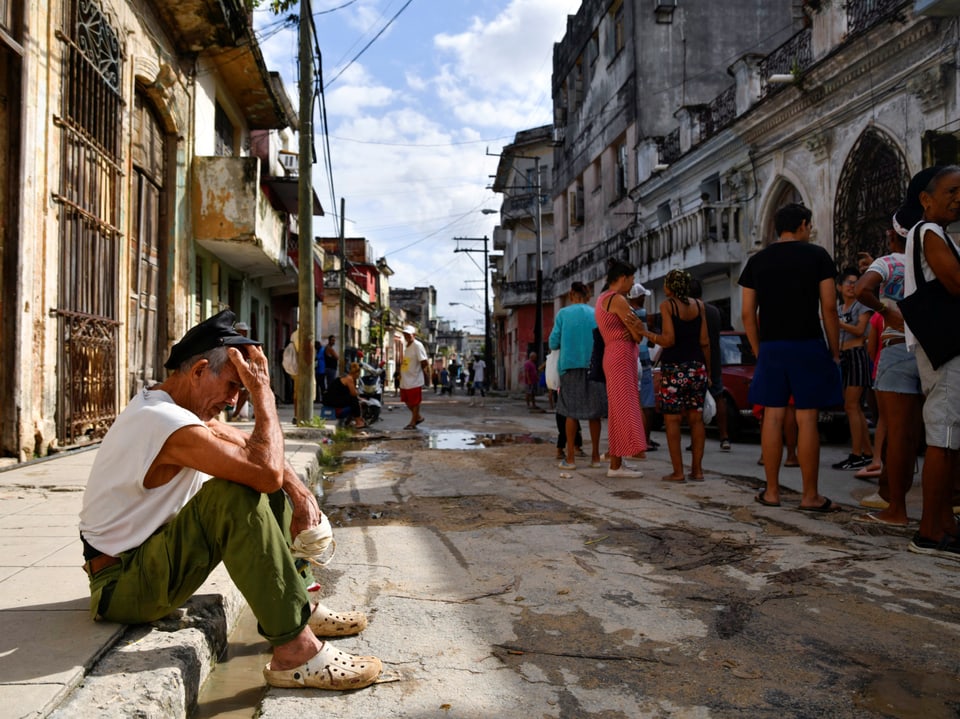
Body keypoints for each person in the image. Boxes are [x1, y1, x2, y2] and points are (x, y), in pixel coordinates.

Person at [78, 310, 381, 691]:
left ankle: (302, 605)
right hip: (121, 586)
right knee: (234, 493)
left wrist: (300, 494)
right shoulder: (161, 420)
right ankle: (295, 652)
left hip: (146, 566)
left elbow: (249, 449)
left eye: (245, 389)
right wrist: (264, 395)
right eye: (234, 386)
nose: (236, 400)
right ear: (200, 370)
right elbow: (263, 469)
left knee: (261, 481)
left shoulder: (174, 406)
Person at [739, 203, 843, 511]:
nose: (809, 230)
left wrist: (759, 350)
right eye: (808, 225)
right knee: (807, 417)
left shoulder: (757, 261)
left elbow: (747, 313)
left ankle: (771, 492)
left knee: (772, 415)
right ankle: (810, 496)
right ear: (802, 224)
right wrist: (835, 350)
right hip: (808, 343)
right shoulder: (818, 256)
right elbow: (829, 307)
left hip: (772, 346)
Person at [901, 165, 960, 558]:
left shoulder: (939, 234)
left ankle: (944, 525)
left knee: (950, 437)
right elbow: (956, 284)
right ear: (927, 199)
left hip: (946, 345)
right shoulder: (928, 232)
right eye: (952, 191)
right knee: (943, 435)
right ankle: (927, 531)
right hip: (944, 346)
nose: (958, 198)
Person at [854, 221, 921, 526]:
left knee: (897, 434)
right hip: (933, 349)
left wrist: (886, 311)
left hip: (896, 347)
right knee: (931, 434)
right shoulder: (932, 261)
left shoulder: (889, 262)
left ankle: (896, 507)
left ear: (893, 235)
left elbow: (861, 289)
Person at [641, 269, 709, 482]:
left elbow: (669, 340)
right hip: (697, 368)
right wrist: (709, 371)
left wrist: (646, 333)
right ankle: (697, 471)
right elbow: (705, 341)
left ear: (669, 287)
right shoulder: (700, 306)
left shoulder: (667, 306)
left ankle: (678, 472)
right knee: (696, 420)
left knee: (672, 420)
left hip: (674, 370)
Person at [596, 260, 647, 477]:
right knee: (622, 409)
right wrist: (637, 330)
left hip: (613, 354)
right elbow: (638, 333)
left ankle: (618, 462)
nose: (633, 283)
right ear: (623, 277)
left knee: (618, 409)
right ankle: (616, 465)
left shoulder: (602, 299)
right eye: (632, 278)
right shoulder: (618, 300)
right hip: (621, 356)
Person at [549, 281, 607, 471]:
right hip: (594, 367)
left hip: (570, 366)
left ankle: (571, 459)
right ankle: (596, 457)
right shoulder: (596, 314)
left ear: (571, 294)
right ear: (588, 295)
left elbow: (553, 343)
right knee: (594, 414)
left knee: (570, 413)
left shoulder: (563, 314)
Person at [831, 267, 875, 470]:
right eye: (848, 283)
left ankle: (856, 454)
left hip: (857, 355)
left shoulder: (861, 306)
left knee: (852, 405)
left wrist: (837, 323)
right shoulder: (839, 308)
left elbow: (860, 331)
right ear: (839, 287)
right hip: (843, 357)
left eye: (855, 283)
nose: (851, 286)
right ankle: (867, 453)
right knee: (853, 407)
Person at [689, 279, 731, 451]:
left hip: (695, 360)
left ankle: (696, 439)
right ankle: (724, 437)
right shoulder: (714, 311)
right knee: (719, 397)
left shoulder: (689, 311)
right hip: (714, 360)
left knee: (694, 403)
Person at [627, 282, 659, 450]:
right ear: (639, 297)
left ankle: (635, 438)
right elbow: (652, 340)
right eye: (643, 296)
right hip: (644, 361)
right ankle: (645, 440)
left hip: (630, 360)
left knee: (633, 403)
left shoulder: (626, 313)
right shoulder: (645, 315)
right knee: (647, 404)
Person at [400, 325, 430, 429]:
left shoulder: (417, 345)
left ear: (414, 335)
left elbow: (424, 361)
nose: (406, 336)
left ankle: (413, 422)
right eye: (405, 334)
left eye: (408, 334)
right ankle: (418, 417)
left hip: (414, 378)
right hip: (405, 379)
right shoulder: (407, 346)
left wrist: (419, 372)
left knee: (415, 401)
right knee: (406, 401)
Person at [322, 361, 366, 429]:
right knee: (353, 400)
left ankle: (356, 420)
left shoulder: (345, 377)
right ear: (356, 373)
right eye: (358, 374)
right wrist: (358, 394)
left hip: (331, 399)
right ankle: (358, 421)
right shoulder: (349, 379)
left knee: (354, 399)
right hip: (332, 400)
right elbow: (353, 393)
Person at [229, 321, 253, 421]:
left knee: (245, 392)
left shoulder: (246, 343)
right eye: (243, 331)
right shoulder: (233, 342)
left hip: (244, 370)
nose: (245, 333)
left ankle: (236, 414)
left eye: (245, 331)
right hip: (234, 370)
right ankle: (235, 414)